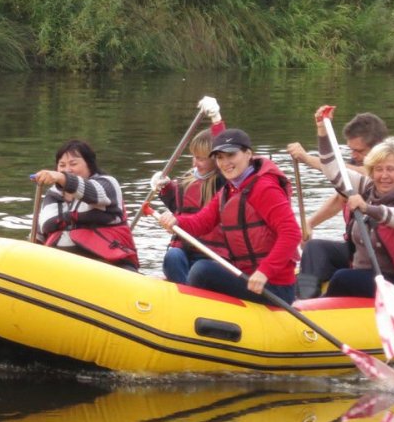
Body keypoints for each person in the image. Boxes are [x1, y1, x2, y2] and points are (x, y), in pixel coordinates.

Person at [157, 128, 301, 306]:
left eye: (231, 155)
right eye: (219, 157)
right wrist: (177, 222)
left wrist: (265, 271)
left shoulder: (265, 188)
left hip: (273, 287)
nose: (225, 163)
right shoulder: (229, 190)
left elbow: (291, 233)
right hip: (246, 277)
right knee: (176, 260)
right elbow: (201, 222)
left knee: (202, 271)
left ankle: (189, 309)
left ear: (248, 154)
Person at [315, 108, 394, 305]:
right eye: (378, 169)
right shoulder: (368, 187)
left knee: (342, 277)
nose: (384, 176)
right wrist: (323, 131)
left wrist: (368, 209)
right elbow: (332, 169)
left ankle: (319, 310)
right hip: (377, 276)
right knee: (327, 259)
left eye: (391, 169)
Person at [287, 112, 389, 299]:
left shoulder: (389, 173)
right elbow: (341, 198)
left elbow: (353, 172)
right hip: (356, 248)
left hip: (381, 254)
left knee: (342, 277)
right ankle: (303, 301)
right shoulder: (358, 166)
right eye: (351, 150)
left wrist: (307, 158)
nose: (354, 155)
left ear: (378, 148)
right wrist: (310, 223)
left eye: (359, 151)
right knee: (314, 248)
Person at [152, 95, 228, 284]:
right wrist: (164, 187)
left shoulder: (224, 181)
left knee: (200, 269)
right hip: (185, 250)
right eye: (193, 157)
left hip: (211, 255)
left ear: (215, 159)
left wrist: (216, 119)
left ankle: (192, 291)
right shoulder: (188, 180)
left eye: (201, 158)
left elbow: (226, 149)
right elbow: (178, 207)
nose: (195, 163)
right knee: (172, 256)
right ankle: (184, 291)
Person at [34, 139, 140, 270]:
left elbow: (95, 194)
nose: (67, 170)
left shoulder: (107, 184)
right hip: (60, 264)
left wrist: (63, 178)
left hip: (107, 264)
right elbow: (39, 235)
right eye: (62, 165)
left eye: (73, 164)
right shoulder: (53, 195)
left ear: (89, 164)